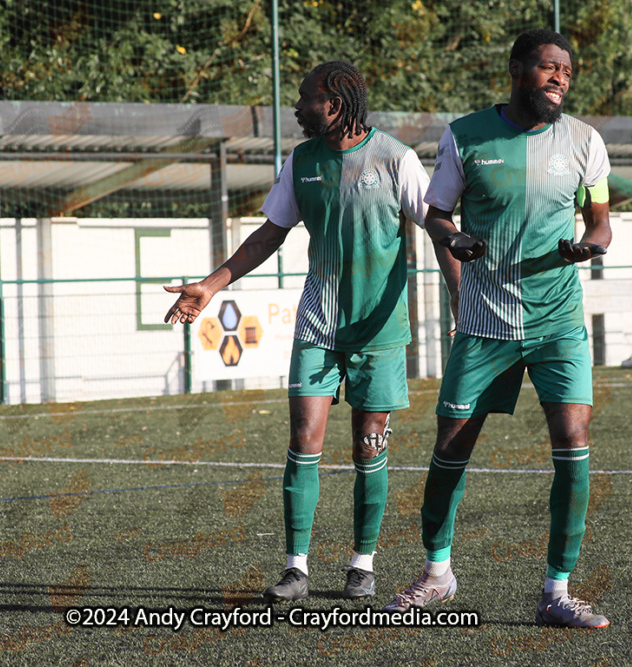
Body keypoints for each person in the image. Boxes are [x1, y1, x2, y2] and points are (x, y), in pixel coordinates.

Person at [164, 61, 455, 602]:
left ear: (336, 101)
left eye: (305, 98)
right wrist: (211, 285)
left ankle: (362, 564)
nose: (296, 108)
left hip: (379, 331)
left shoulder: (396, 159)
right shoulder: (300, 161)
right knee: (303, 442)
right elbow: (268, 234)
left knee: (370, 450)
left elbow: (440, 229)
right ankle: (296, 568)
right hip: (318, 326)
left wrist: (464, 300)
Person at [383, 29, 612, 628]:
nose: (560, 77)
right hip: (485, 324)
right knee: (450, 449)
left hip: (558, 320)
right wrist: (451, 236)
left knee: (573, 449)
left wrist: (588, 247)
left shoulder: (585, 141)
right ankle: (437, 575)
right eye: (548, 67)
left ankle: (557, 591)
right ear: (516, 69)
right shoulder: (465, 136)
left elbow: (602, 224)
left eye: (567, 69)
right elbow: (436, 213)